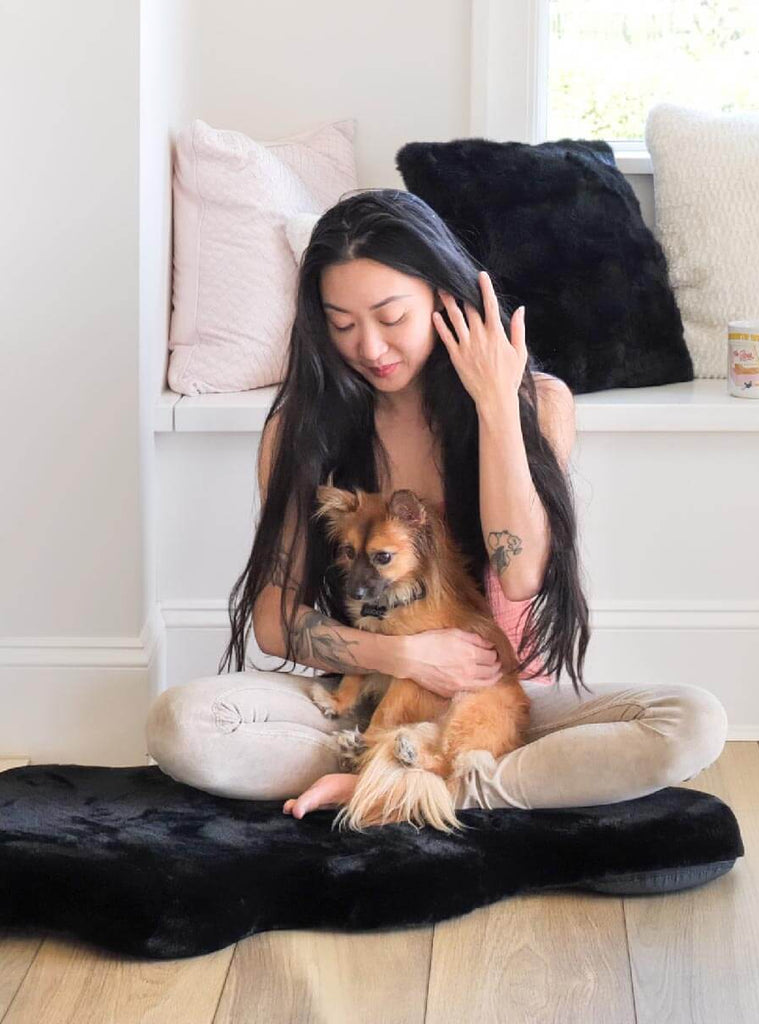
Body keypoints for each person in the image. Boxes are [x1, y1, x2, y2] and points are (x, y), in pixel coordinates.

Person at [146, 188, 728, 823]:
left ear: (443, 298)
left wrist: (498, 403)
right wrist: (401, 656)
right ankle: (420, 775)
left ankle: (406, 780)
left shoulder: (537, 404)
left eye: (390, 317)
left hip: (497, 702)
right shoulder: (299, 431)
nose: (369, 347)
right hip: (366, 696)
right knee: (183, 724)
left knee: (690, 722)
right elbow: (273, 620)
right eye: (342, 324)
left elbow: (523, 573)